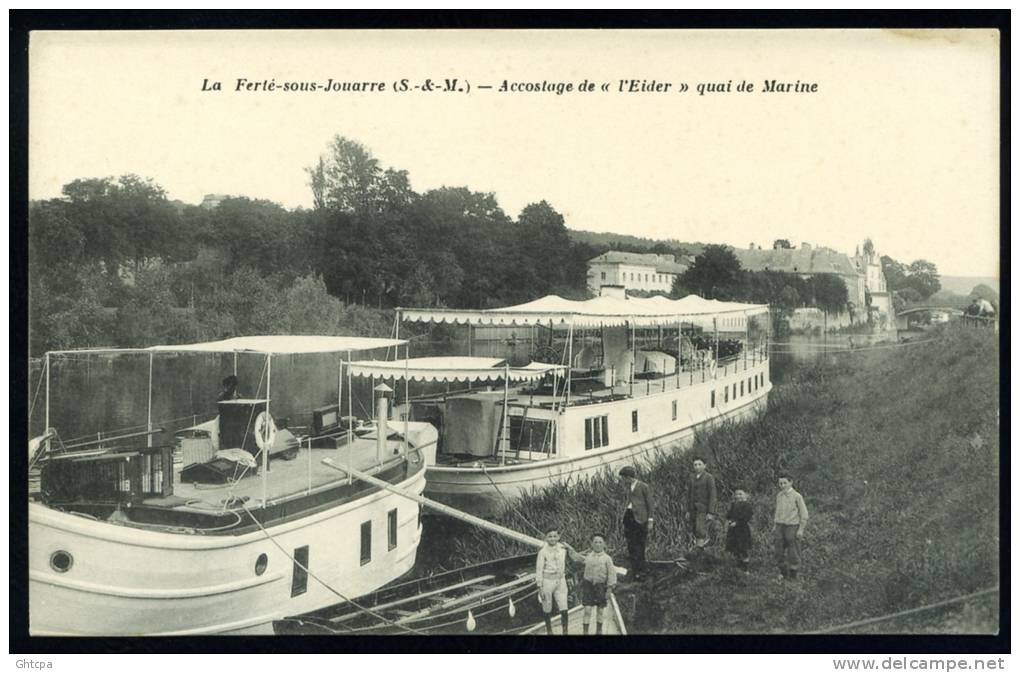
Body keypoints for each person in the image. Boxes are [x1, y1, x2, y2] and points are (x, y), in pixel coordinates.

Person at [565, 534, 617, 635]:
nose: (598, 544)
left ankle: (599, 631)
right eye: (595, 542)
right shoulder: (589, 556)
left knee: (600, 611)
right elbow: (576, 557)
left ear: (604, 544)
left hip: (601, 586)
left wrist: (609, 589)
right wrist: (569, 548)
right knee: (587, 610)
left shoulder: (607, 559)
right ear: (592, 544)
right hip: (588, 586)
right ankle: (585, 632)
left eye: (600, 542)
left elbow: (612, 575)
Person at [618, 466, 655, 580]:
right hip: (629, 518)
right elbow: (628, 502)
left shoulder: (643, 487)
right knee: (631, 545)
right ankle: (635, 570)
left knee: (640, 545)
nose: (623, 481)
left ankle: (641, 570)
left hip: (640, 519)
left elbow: (650, 504)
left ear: (629, 477)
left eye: (624, 478)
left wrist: (650, 520)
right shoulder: (628, 487)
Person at [773, 473, 809, 580]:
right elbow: (777, 511)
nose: (782, 485)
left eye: (785, 483)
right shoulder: (779, 495)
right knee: (778, 549)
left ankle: (793, 575)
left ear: (790, 482)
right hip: (780, 525)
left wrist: (801, 529)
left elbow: (804, 514)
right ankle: (783, 573)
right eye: (780, 483)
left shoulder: (797, 496)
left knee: (793, 549)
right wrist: (775, 525)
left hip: (792, 526)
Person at [535, 529, 571, 635]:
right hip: (547, 581)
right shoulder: (542, 552)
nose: (552, 539)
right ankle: (549, 631)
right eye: (550, 536)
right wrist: (540, 587)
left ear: (558, 537)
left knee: (564, 606)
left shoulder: (563, 549)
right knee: (547, 607)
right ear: (545, 538)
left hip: (560, 581)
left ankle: (565, 631)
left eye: (555, 536)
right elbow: (539, 570)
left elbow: (570, 560)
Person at [688, 457, 718, 549]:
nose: (697, 467)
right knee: (694, 530)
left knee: (701, 531)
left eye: (699, 464)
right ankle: (698, 551)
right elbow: (689, 495)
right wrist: (688, 511)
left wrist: (710, 512)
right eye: (695, 465)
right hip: (693, 510)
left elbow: (713, 496)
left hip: (703, 509)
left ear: (705, 465)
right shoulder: (692, 477)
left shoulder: (709, 477)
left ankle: (699, 554)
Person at [725, 487, 754, 573]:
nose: (738, 496)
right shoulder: (734, 504)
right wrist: (729, 521)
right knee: (735, 548)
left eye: (740, 494)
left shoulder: (747, 505)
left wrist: (737, 523)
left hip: (742, 530)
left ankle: (745, 568)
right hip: (733, 531)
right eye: (736, 494)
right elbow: (729, 515)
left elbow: (746, 517)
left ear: (746, 495)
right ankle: (738, 566)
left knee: (743, 549)